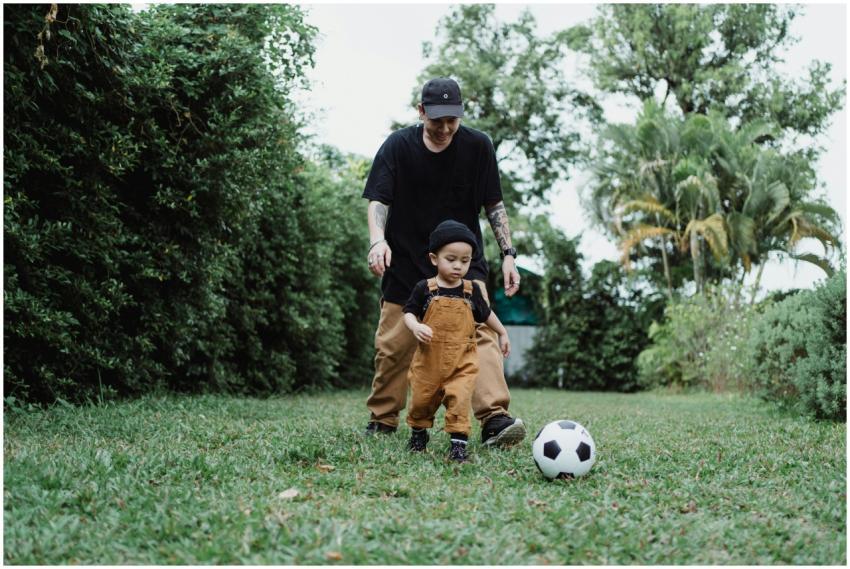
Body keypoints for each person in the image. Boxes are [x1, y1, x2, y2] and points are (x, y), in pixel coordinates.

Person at [362, 76, 526, 447]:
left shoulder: (478, 147)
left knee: (479, 332)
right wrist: (377, 241)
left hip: (462, 262)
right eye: (437, 120)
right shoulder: (398, 147)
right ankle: (383, 419)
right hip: (406, 260)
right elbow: (379, 200)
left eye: (452, 120)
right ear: (421, 112)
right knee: (393, 344)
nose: (445, 128)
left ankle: (495, 419)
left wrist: (508, 255)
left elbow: (493, 204)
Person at [404, 220, 511, 462]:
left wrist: (502, 332)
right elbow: (408, 312)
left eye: (465, 260)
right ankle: (419, 434)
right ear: (434, 259)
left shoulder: (471, 291)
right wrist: (416, 326)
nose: (458, 266)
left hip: (462, 362)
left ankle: (458, 447)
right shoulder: (425, 289)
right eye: (451, 259)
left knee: (460, 401)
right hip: (428, 362)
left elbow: (487, 315)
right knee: (421, 401)